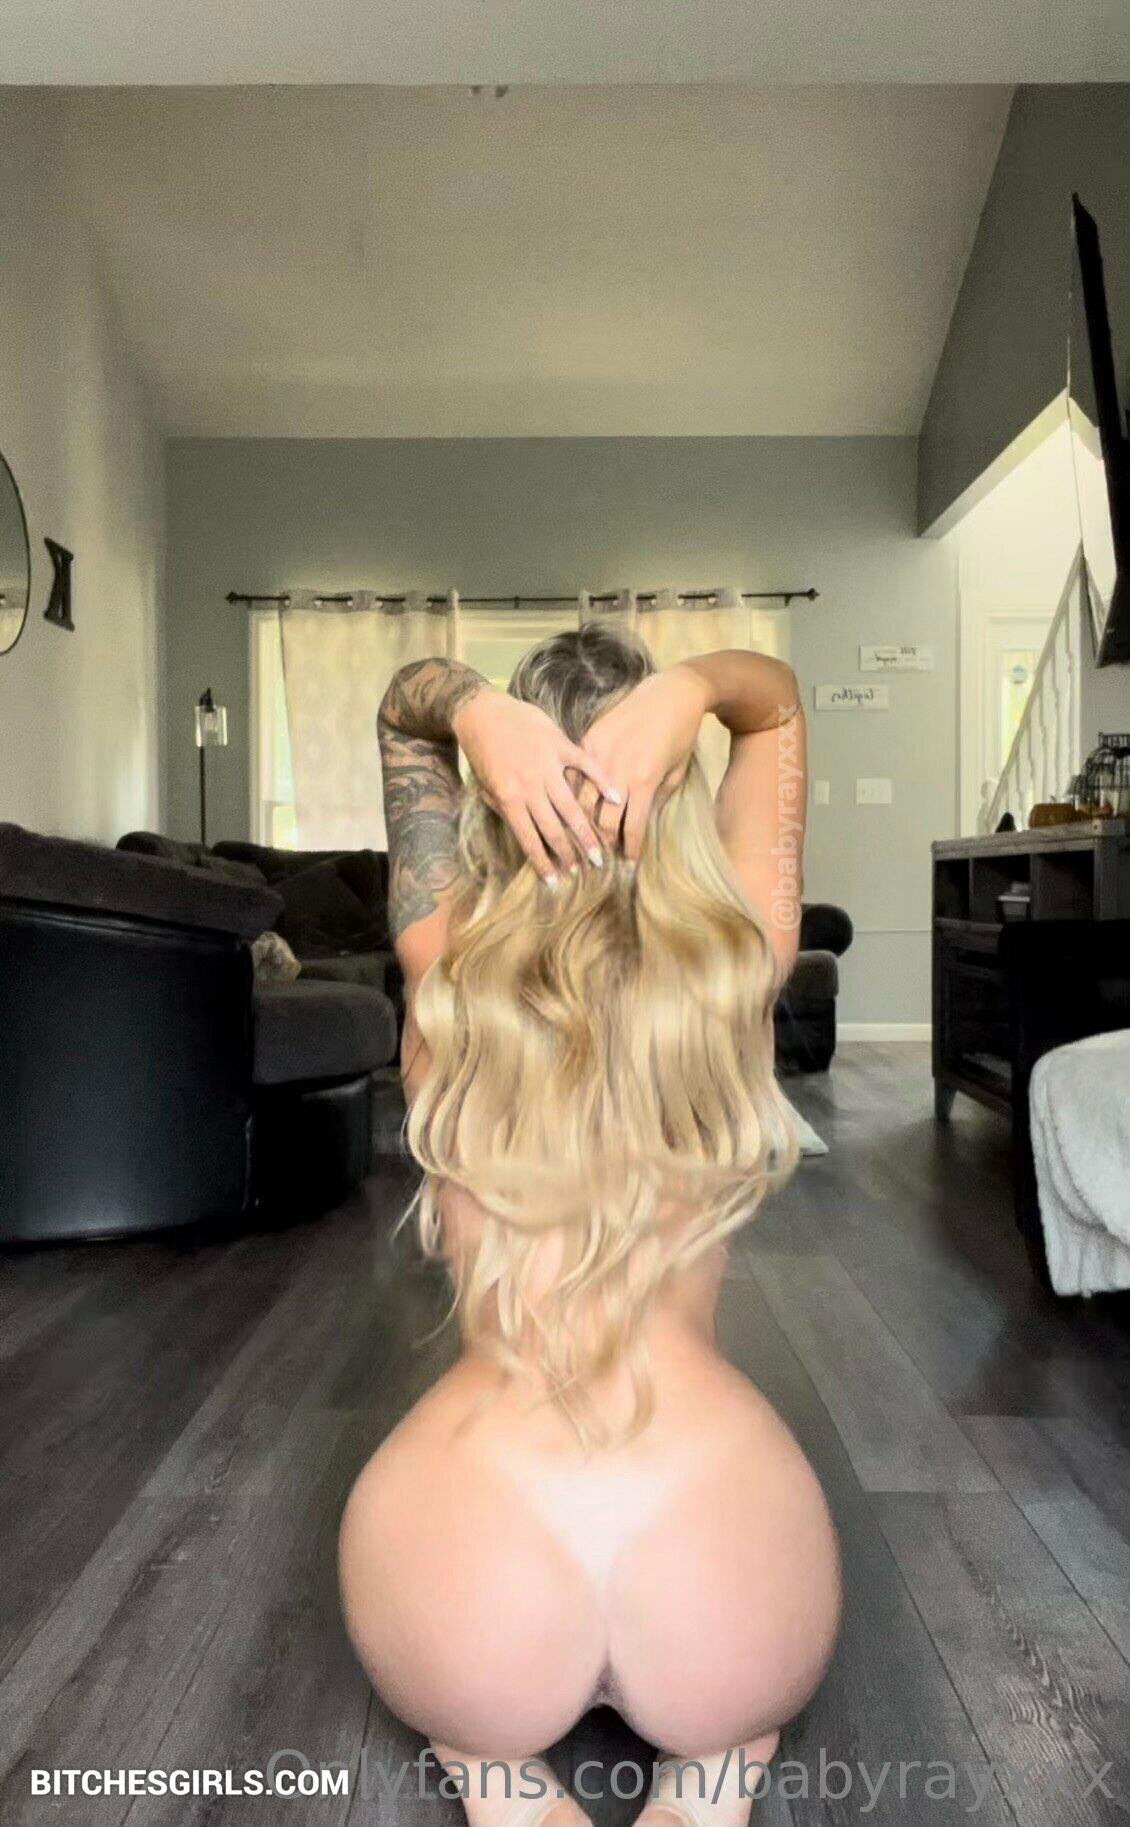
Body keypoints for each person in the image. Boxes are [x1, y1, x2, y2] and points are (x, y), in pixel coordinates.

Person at [338, 624, 841, 1827]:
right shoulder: (735, 961)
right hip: (726, 1573)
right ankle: (712, 1773)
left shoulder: (445, 969)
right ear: (676, 792)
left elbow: (402, 710)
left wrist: (472, 711)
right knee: (735, 1720)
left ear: (493, 803)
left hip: (468, 1581)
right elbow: (774, 706)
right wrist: (695, 688)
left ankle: (493, 1774)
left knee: (473, 1723)